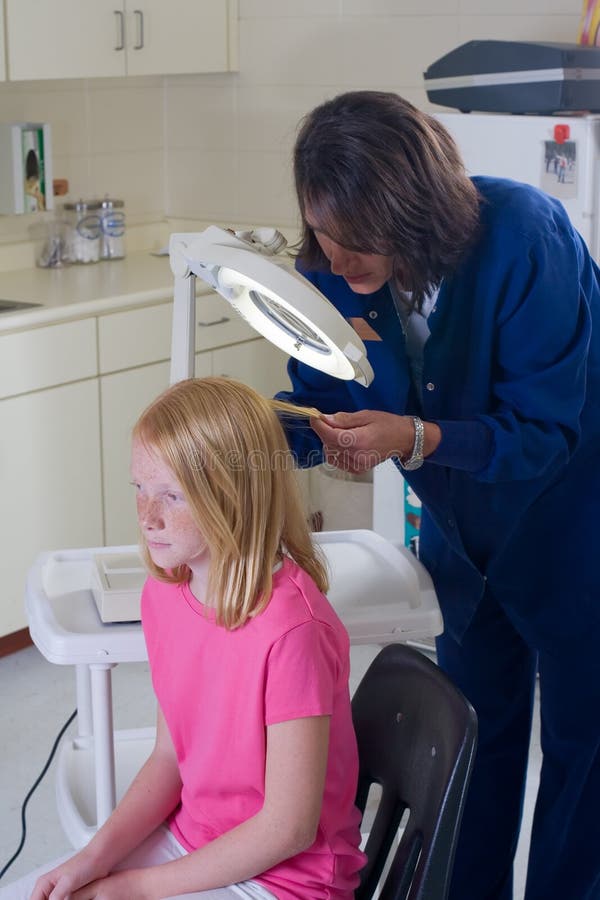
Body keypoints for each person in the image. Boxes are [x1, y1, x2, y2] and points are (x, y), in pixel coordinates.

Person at [275, 90, 600, 900]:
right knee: (474, 743)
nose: (338, 259)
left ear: (412, 209)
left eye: (359, 236)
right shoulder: (334, 269)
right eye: (323, 231)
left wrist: (413, 437)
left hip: (574, 525)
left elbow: (543, 433)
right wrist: (256, 436)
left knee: (583, 751)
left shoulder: (525, 235)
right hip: (462, 538)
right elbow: (321, 397)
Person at [1, 377, 366, 900]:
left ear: (233, 497)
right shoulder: (164, 595)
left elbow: (287, 829)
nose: (146, 517)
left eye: (171, 496)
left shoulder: (294, 633)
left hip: (286, 881)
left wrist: (135, 887)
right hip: (195, 841)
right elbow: (169, 759)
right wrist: (93, 859)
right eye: (139, 488)